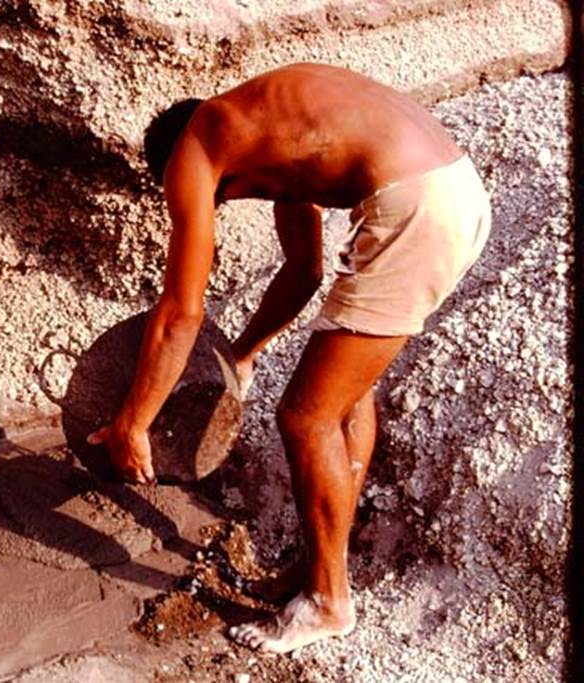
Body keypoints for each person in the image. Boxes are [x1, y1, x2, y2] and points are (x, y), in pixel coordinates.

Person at [86, 63, 491, 654]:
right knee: (347, 395)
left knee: (305, 417)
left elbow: (180, 313)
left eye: (219, 198)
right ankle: (319, 573)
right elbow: (305, 270)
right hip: (455, 191)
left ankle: (329, 602)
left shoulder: (196, 147)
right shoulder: (278, 133)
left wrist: (134, 423)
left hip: (413, 204)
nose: (229, 201)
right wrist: (244, 354)